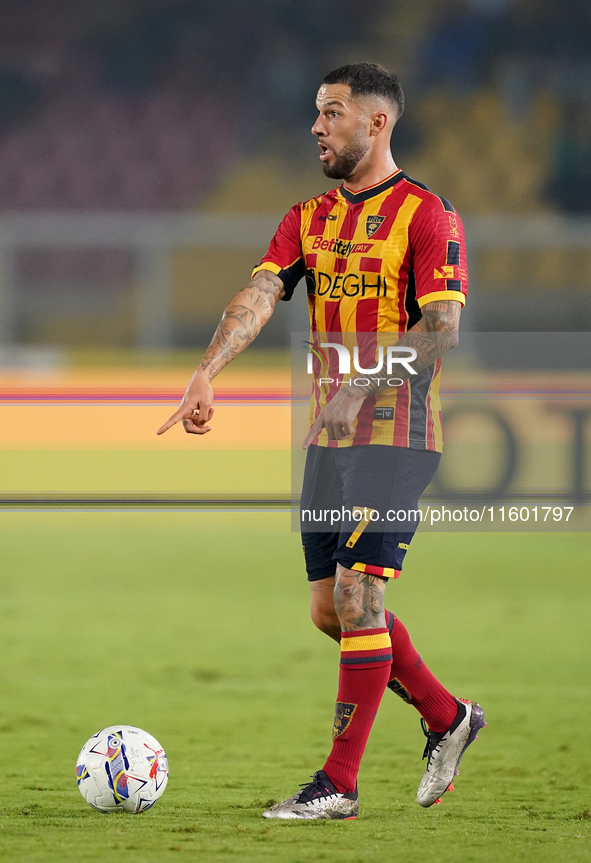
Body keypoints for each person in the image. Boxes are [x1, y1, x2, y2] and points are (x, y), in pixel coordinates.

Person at [157, 62, 485, 820]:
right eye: (315, 112)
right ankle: (447, 716)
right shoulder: (308, 217)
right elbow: (261, 291)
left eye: (331, 113)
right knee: (329, 612)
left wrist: (359, 384)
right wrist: (206, 371)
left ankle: (337, 782)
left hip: (395, 435)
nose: (315, 126)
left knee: (357, 593)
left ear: (376, 123)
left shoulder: (427, 216)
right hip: (326, 440)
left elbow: (442, 338)